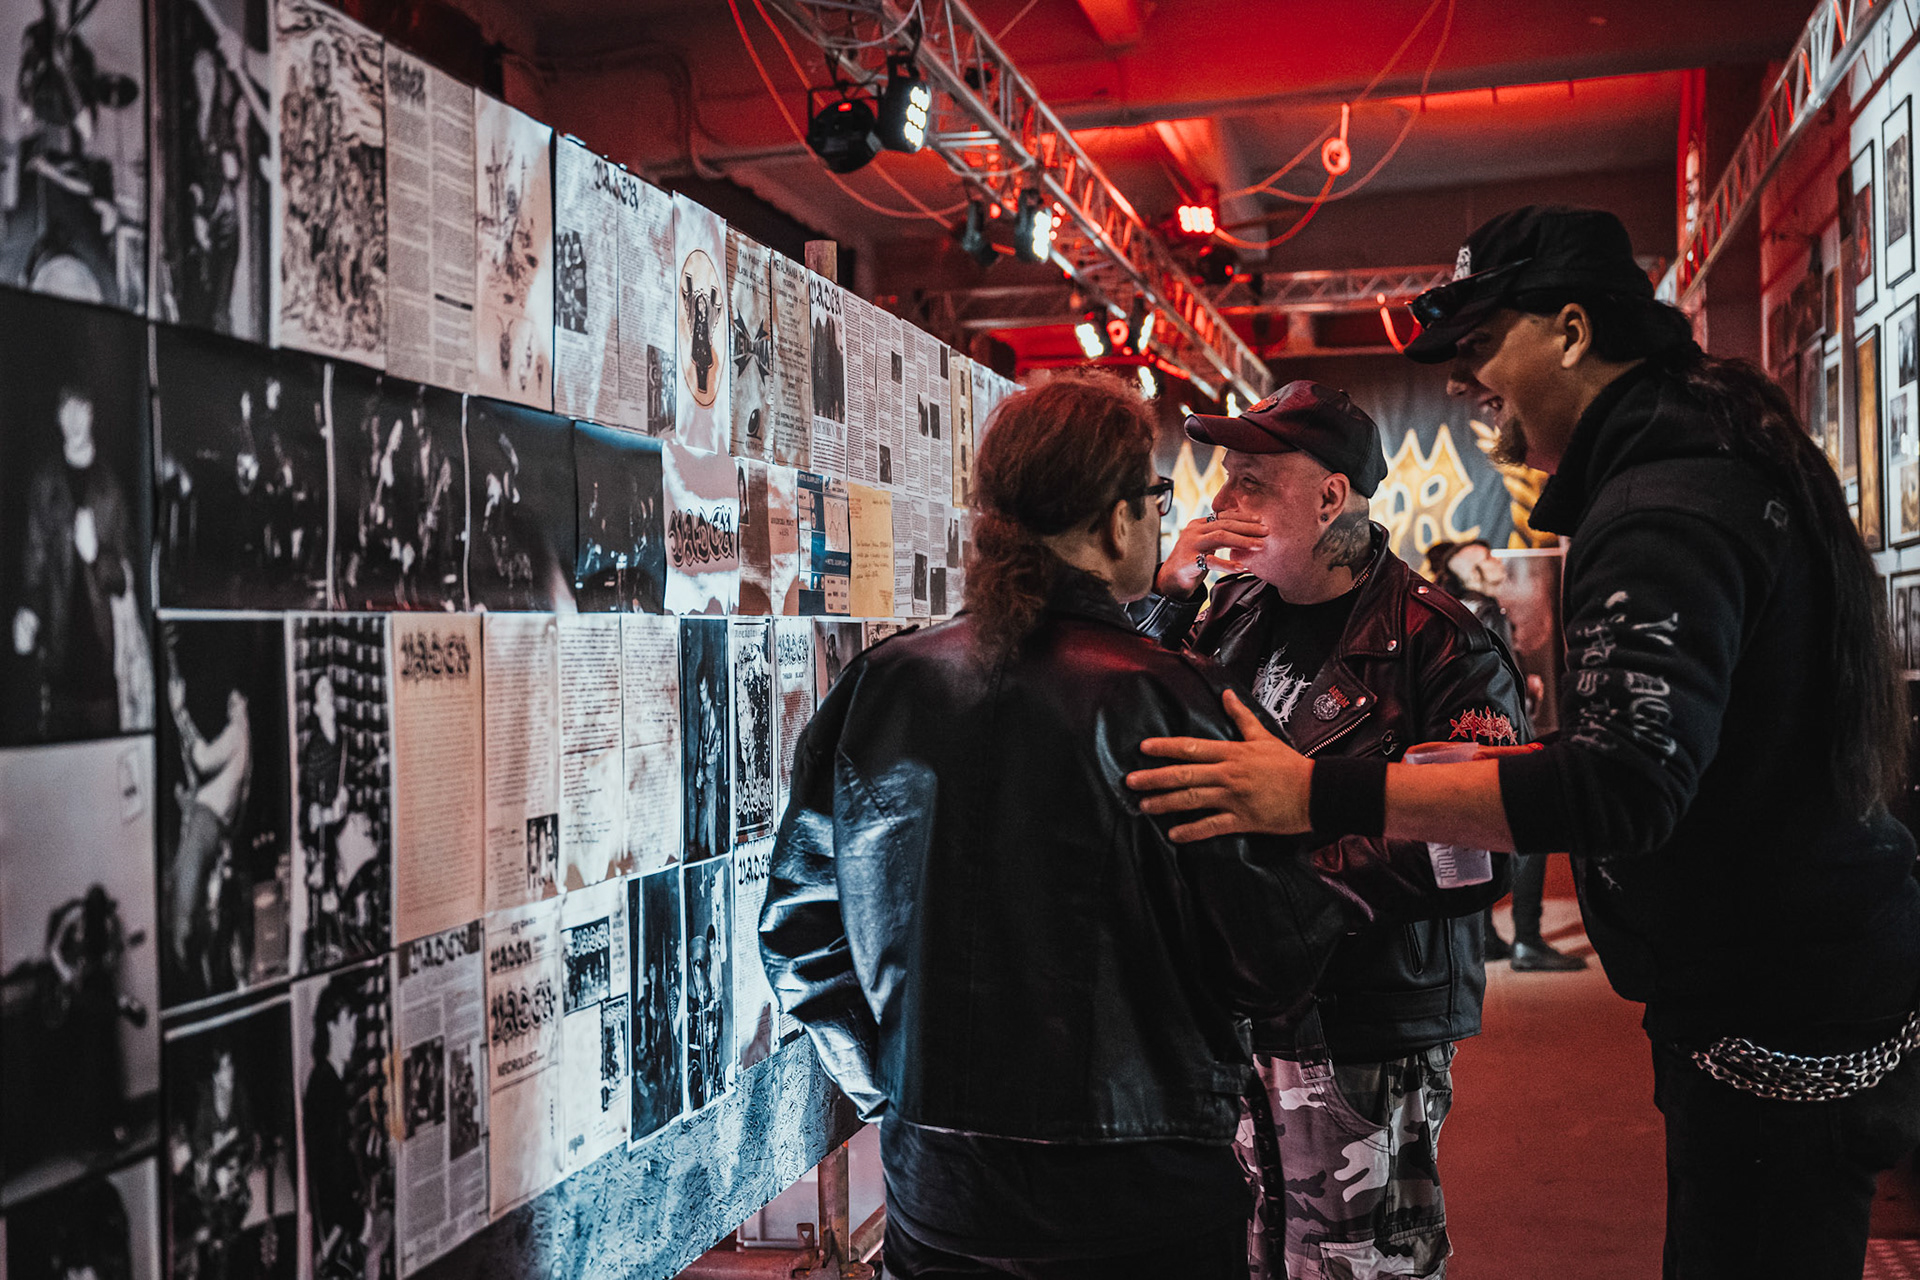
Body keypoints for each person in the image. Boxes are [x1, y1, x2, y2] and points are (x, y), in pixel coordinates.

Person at [1125, 205, 1920, 1280]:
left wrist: (1309, 811)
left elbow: (1618, 787)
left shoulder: (1655, 508)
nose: (1467, 381)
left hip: (1737, 1007)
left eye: (1484, 342)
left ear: (1573, 332)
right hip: (1750, 997)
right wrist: (1167, 599)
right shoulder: (1691, 467)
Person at [761, 371, 1352, 1279]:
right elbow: (1274, 958)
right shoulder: (1176, 698)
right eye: (1157, 498)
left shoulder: (882, 687)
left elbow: (802, 936)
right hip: (1142, 1185)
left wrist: (898, 1095)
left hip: (939, 1190)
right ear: (1116, 523)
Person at [1134, 381, 1526, 1279]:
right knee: (1245, 1253)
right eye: (1225, 477)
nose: (1221, 501)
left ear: (1330, 497)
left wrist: (1287, 889)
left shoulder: (1438, 642)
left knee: (1358, 1261)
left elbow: (1476, 851)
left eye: (1252, 482)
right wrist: (1166, 602)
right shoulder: (1228, 613)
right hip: (1233, 1012)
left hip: (1361, 1019)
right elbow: (1139, 740)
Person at [1425, 539, 1583, 972]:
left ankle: (1488, 938)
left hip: (1466, 737)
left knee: (1478, 837)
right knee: (1533, 832)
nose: (1498, 563)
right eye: (1487, 559)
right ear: (1473, 573)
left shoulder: (1448, 609)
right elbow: (1499, 679)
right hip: (1505, 737)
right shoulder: (1488, 610)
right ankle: (1527, 940)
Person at [14, 387, 140, 740]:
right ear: (57, 417)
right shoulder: (44, 482)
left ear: (92, 413)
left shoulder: (111, 486)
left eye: (81, 407)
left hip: (102, 666)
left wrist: (95, 555)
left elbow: (126, 578)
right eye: (66, 408)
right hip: (58, 666)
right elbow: (34, 566)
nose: (73, 418)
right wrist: (28, 611)